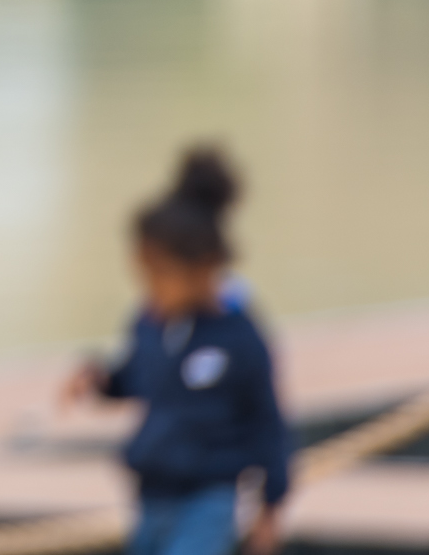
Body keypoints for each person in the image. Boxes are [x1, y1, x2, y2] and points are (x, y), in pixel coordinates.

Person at [64, 148, 293, 555]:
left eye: (159, 276)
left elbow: (268, 425)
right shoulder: (151, 324)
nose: (148, 290)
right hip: (152, 497)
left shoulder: (239, 338)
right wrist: (101, 380)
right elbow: (137, 376)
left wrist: (269, 508)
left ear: (204, 270)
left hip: (207, 498)